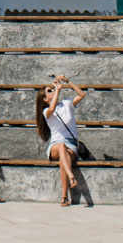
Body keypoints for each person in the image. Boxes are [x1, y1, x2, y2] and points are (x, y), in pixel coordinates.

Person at [41, 75, 86, 207]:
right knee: (61, 147)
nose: (53, 90)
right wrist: (58, 90)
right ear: (45, 99)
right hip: (55, 145)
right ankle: (71, 177)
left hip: (71, 145)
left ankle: (64, 197)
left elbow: (81, 94)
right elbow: (52, 108)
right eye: (49, 91)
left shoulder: (67, 104)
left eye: (52, 89)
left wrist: (67, 82)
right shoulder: (46, 112)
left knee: (63, 158)